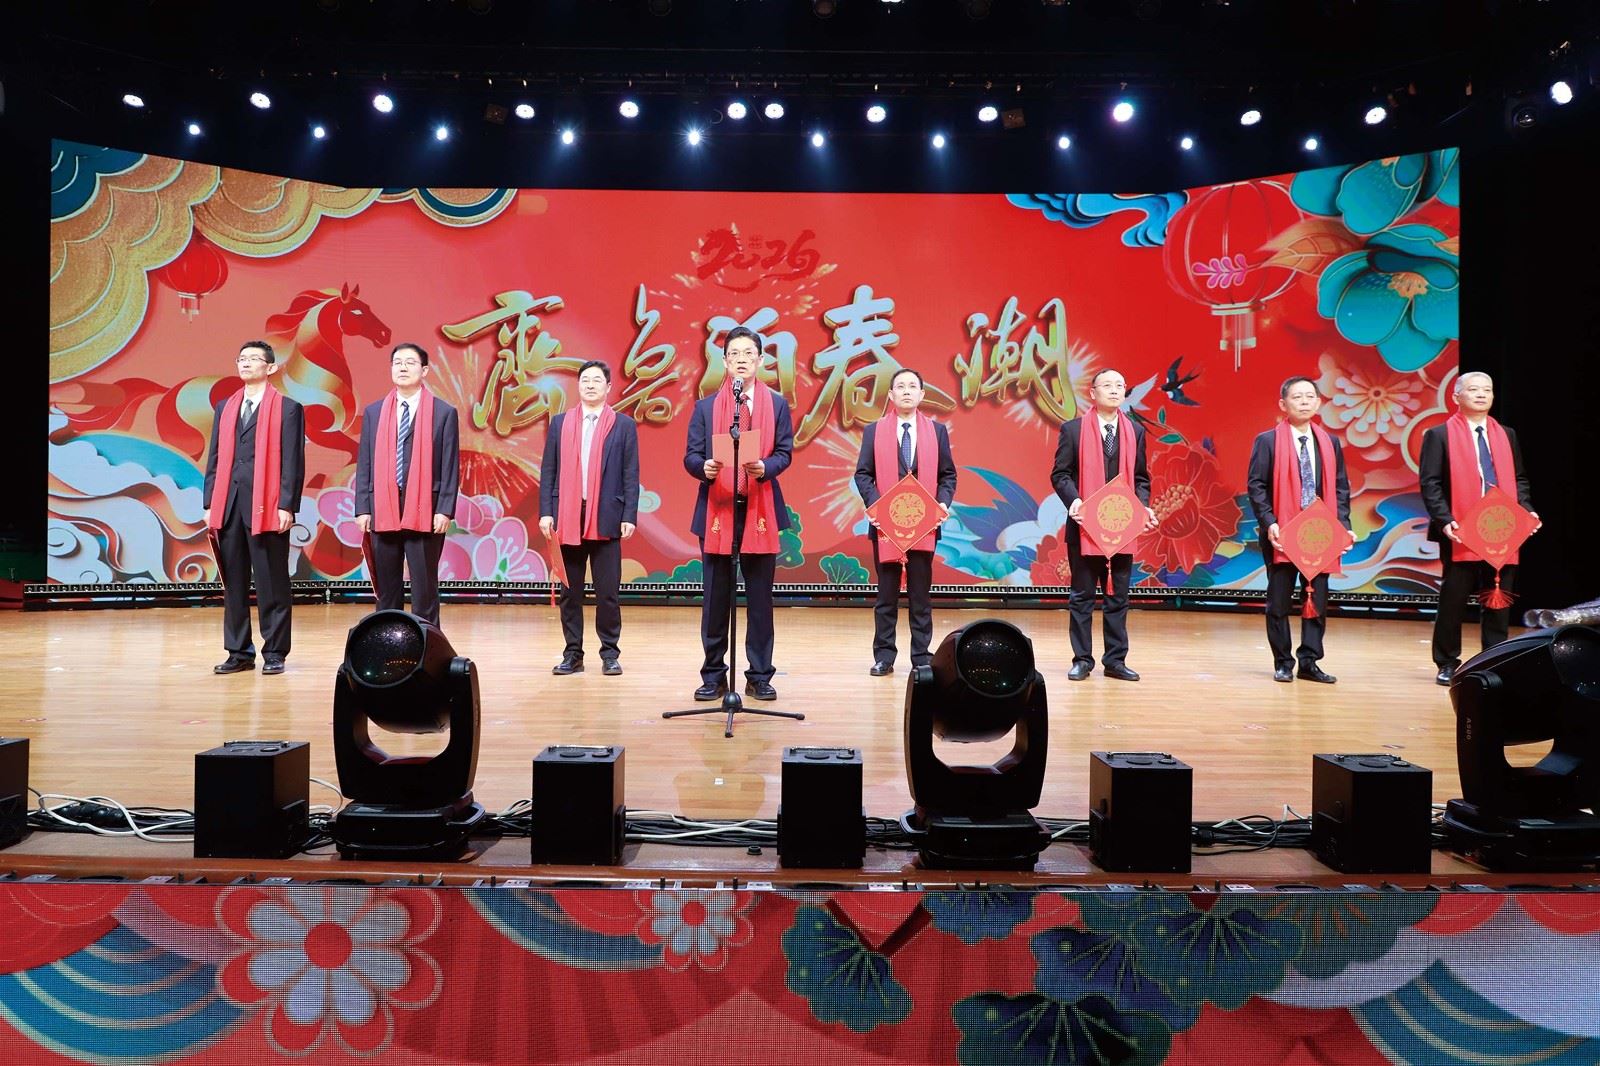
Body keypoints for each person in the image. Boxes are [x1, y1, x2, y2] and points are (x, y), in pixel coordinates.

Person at [683, 325, 794, 702]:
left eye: (748, 354)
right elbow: (691, 455)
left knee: (760, 602)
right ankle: (713, 675)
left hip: (759, 508)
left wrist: (766, 467)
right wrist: (703, 468)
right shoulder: (705, 407)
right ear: (725, 361)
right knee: (716, 601)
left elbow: (785, 453)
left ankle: (759, 676)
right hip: (717, 510)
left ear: (760, 360)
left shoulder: (776, 405)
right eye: (734, 354)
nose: (741, 360)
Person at [1419, 371, 1539, 685]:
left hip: (1502, 528)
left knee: (1497, 599)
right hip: (1460, 530)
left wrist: (1526, 510)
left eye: (1487, 389)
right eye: (1474, 389)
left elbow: (1520, 479)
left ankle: (1493, 660)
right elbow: (1430, 483)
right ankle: (1447, 662)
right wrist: (1445, 519)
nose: (1482, 394)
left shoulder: (1506, 434)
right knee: (1453, 600)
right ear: (1456, 396)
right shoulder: (1439, 435)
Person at [203, 340, 305, 675]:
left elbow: (293, 461)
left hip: (268, 506)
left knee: (271, 582)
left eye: (253, 358)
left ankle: (274, 652)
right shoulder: (225, 407)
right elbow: (215, 457)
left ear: (270, 367)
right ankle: (239, 652)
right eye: (241, 358)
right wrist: (210, 502)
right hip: (230, 505)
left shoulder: (288, 408)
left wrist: (287, 505)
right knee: (233, 584)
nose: (246, 363)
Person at [1050, 368, 1156, 681]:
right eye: (1107, 385)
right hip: (1084, 527)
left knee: (1118, 598)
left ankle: (1115, 661)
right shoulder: (1073, 430)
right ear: (1093, 393)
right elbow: (1060, 474)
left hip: (1122, 527)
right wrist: (1074, 502)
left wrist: (1142, 507)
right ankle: (1082, 660)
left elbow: (1141, 478)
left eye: (1119, 385)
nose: (1114, 390)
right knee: (1082, 597)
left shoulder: (1135, 431)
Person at [1246, 376, 1353, 684]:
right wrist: (1270, 522)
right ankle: (1283, 662)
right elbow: (1256, 486)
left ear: (1318, 402)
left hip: (1320, 534)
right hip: (1281, 533)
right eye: (1297, 397)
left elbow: (1340, 487)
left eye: (1309, 396)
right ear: (1283, 404)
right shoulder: (1268, 441)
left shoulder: (1329, 442)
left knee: (1316, 601)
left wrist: (1343, 526)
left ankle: (1310, 661)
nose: (1304, 401)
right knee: (1279, 602)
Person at [853, 368, 957, 675]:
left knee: (920, 596)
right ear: (891, 395)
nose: (907, 391)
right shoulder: (874, 431)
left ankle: (921, 656)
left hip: (924, 526)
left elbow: (948, 475)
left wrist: (941, 504)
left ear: (922, 394)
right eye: (901, 386)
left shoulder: (937, 432)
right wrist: (877, 507)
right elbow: (863, 474)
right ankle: (884, 656)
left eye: (913, 386)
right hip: (885, 527)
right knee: (886, 596)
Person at [539, 360, 640, 676]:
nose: (591, 385)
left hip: (606, 516)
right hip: (568, 516)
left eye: (597, 380)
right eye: (585, 380)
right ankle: (573, 654)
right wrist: (546, 511)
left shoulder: (623, 425)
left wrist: (629, 514)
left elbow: (630, 473)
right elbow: (549, 470)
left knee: (607, 593)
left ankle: (610, 654)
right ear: (578, 386)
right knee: (570, 593)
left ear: (608, 387)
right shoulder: (560, 423)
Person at [355, 342, 461, 627]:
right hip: (382, 508)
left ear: (424, 371)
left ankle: (427, 644)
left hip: (426, 509)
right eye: (397, 363)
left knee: (424, 587)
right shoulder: (375, 412)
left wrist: (445, 509)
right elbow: (365, 462)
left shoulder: (443, 412)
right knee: (386, 588)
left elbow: (450, 464)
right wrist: (363, 507)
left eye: (410, 363)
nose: (402, 368)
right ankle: (387, 643)